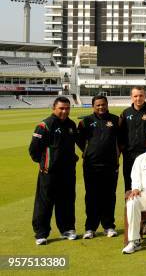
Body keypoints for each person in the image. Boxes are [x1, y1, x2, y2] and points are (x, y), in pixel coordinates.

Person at [29, 96, 79, 245]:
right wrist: (45, 164)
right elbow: (34, 150)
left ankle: (67, 229)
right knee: (45, 202)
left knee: (67, 201)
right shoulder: (45, 125)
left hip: (68, 171)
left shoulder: (71, 124)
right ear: (54, 108)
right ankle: (41, 233)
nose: (64, 111)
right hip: (49, 173)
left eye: (67, 108)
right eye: (61, 108)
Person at [76, 95, 120, 239]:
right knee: (92, 196)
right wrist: (88, 152)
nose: (101, 107)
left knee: (109, 196)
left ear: (107, 105)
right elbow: (80, 140)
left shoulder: (115, 120)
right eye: (98, 105)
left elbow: (121, 140)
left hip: (111, 164)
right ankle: (90, 228)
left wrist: (116, 154)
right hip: (91, 165)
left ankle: (108, 226)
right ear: (93, 106)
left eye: (103, 104)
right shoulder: (85, 122)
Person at [119, 86, 146, 192]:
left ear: (145, 96)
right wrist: (123, 149)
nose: (138, 98)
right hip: (129, 155)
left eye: (141, 96)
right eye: (135, 96)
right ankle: (129, 207)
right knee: (129, 185)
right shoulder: (125, 113)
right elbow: (120, 134)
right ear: (131, 97)